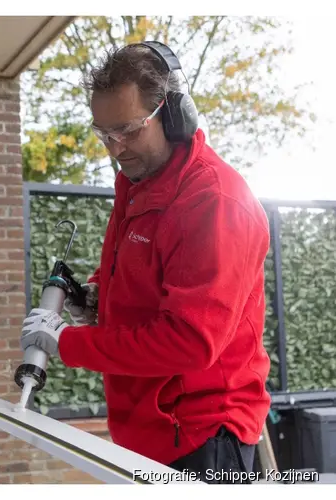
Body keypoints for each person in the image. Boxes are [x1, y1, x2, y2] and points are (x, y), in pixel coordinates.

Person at [20, 41, 272, 484]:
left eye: (130, 129)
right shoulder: (137, 183)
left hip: (200, 438)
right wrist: (97, 295)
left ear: (174, 114)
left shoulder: (213, 201)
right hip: (147, 433)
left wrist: (69, 343)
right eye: (104, 134)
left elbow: (190, 342)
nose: (115, 148)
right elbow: (138, 270)